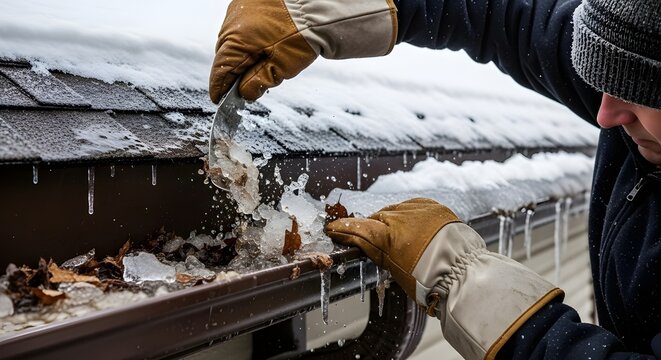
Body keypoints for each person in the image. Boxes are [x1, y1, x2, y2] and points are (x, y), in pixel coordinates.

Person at [209, 0, 661, 358]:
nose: (605, 115)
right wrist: (316, 8)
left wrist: (466, 282)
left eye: (638, 94)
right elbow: (502, 15)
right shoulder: (635, 62)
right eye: (601, 79)